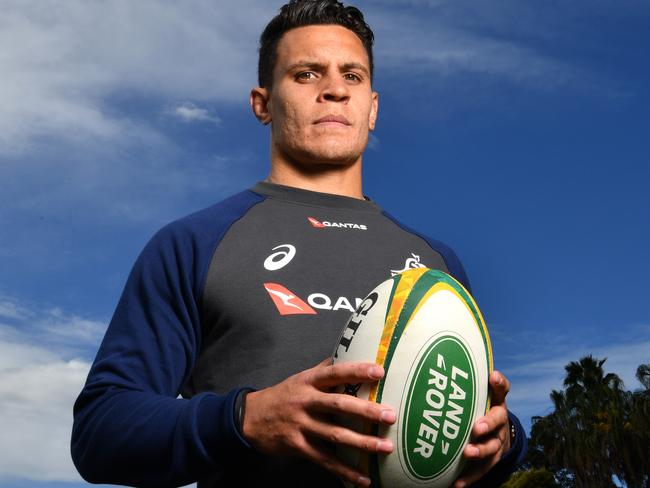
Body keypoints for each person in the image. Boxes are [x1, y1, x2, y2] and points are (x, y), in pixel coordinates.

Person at [71, 1, 526, 486]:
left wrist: (507, 441)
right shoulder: (195, 243)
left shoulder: (437, 266)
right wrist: (244, 418)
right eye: (307, 74)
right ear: (262, 103)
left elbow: (465, 420)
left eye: (352, 76)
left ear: (372, 108)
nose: (333, 90)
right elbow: (101, 430)